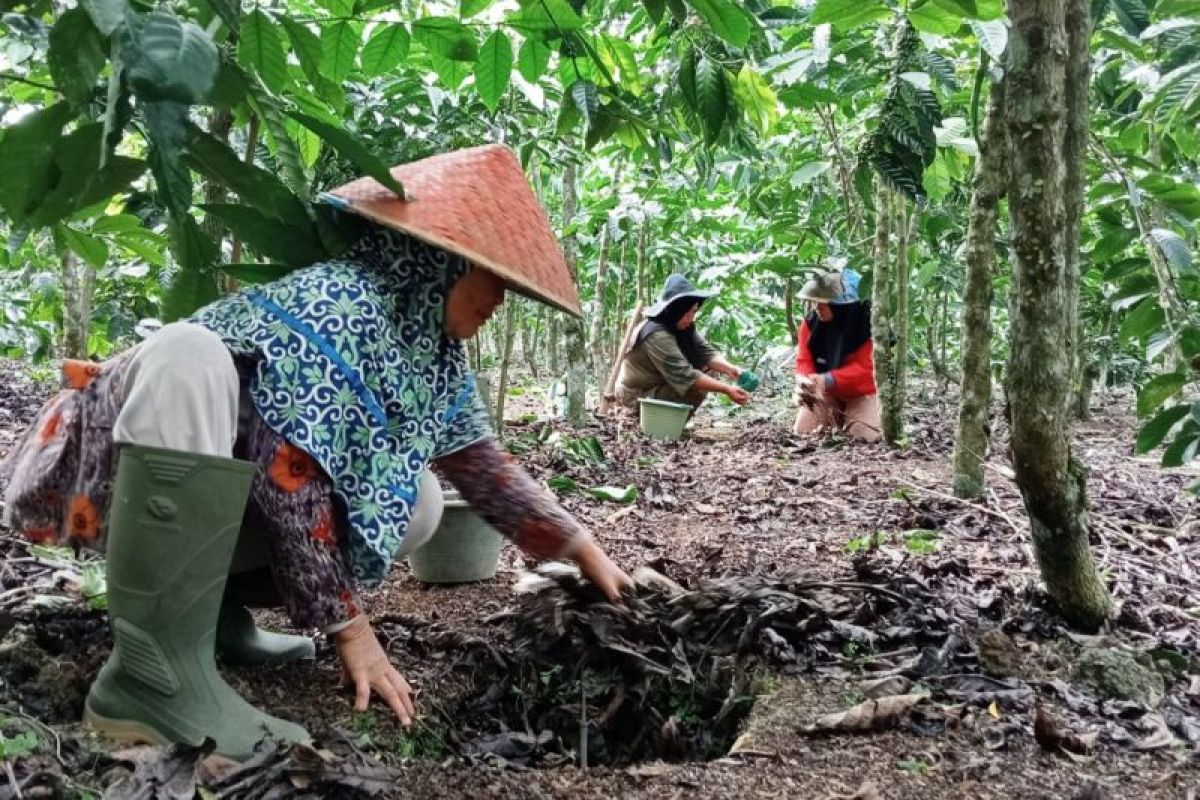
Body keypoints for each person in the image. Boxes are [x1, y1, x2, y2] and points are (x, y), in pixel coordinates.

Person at [0, 145, 632, 759]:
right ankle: (149, 678)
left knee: (421, 500)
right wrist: (352, 632)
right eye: (493, 280)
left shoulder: (435, 361)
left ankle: (209, 624)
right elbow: (287, 476)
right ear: (440, 262)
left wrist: (581, 550)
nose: (499, 302)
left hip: (207, 501)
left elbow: (481, 466)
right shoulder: (340, 302)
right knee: (186, 354)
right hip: (106, 483)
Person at [615, 274, 750, 411]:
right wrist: (726, 389)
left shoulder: (681, 326)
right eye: (688, 312)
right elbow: (686, 376)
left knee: (707, 371)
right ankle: (661, 427)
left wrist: (731, 369)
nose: (691, 318)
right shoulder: (657, 334)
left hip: (657, 388)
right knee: (695, 385)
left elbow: (705, 353)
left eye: (694, 312)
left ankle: (672, 424)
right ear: (677, 310)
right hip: (636, 397)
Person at [792, 268, 881, 443]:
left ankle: (851, 418)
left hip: (862, 393)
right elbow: (804, 360)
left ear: (843, 306)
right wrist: (805, 381)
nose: (817, 307)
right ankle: (836, 418)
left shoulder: (870, 328)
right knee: (803, 432)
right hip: (824, 392)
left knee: (864, 436)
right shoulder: (811, 324)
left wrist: (827, 379)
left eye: (824, 303)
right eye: (815, 301)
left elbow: (868, 371)